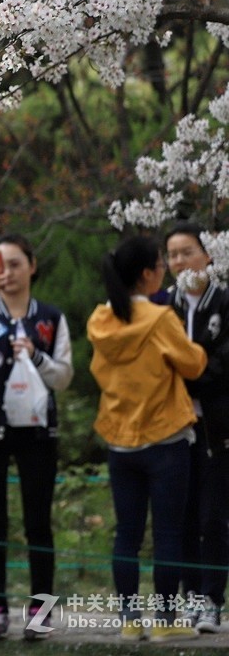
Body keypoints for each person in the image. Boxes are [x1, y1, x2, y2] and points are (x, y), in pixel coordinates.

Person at [88, 234, 207, 642]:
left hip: (120, 441)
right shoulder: (159, 319)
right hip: (165, 438)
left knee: (127, 533)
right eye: (160, 264)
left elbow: (98, 373)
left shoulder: (101, 320)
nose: (164, 270)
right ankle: (166, 620)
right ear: (146, 274)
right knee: (168, 534)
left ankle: (129, 620)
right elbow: (193, 364)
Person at [0, 234, 74, 640]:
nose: (6, 273)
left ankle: (40, 615)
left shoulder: (51, 317)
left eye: (15, 264)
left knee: (38, 523)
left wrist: (37, 355)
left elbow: (64, 375)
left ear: (32, 265)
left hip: (38, 428)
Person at [163, 222, 229, 633]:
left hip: (215, 425)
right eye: (172, 255)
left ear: (208, 256)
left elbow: (222, 366)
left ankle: (211, 599)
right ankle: (190, 593)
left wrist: (185, 374)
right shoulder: (161, 308)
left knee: (212, 516)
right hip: (171, 426)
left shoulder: (224, 302)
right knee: (180, 516)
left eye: (187, 252)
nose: (180, 261)